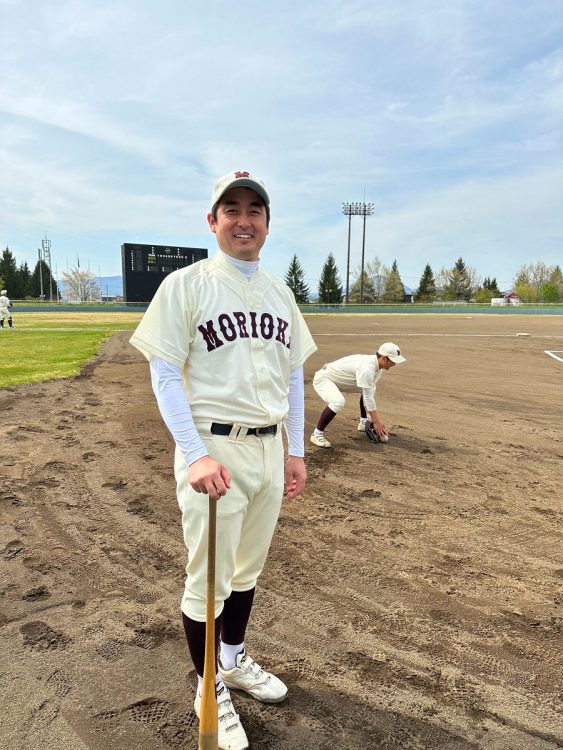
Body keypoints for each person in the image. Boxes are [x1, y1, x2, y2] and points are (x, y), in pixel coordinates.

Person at [130, 170, 317, 750]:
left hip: (267, 447)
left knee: (246, 571)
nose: (243, 219)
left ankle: (232, 661)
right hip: (215, 449)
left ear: (267, 223)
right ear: (212, 221)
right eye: (230, 209)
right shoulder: (185, 285)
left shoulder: (281, 292)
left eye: (254, 209)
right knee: (208, 580)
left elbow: (292, 372)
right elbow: (163, 373)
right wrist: (194, 454)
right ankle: (208, 686)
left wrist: (295, 448)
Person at [310, 342, 406, 448]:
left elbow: (367, 394)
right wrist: (377, 422)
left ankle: (363, 422)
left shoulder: (377, 367)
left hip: (339, 380)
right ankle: (317, 434)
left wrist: (374, 420)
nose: (394, 364)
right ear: (384, 358)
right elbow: (368, 398)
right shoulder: (367, 369)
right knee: (338, 402)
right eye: (393, 361)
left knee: (370, 388)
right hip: (324, 379)